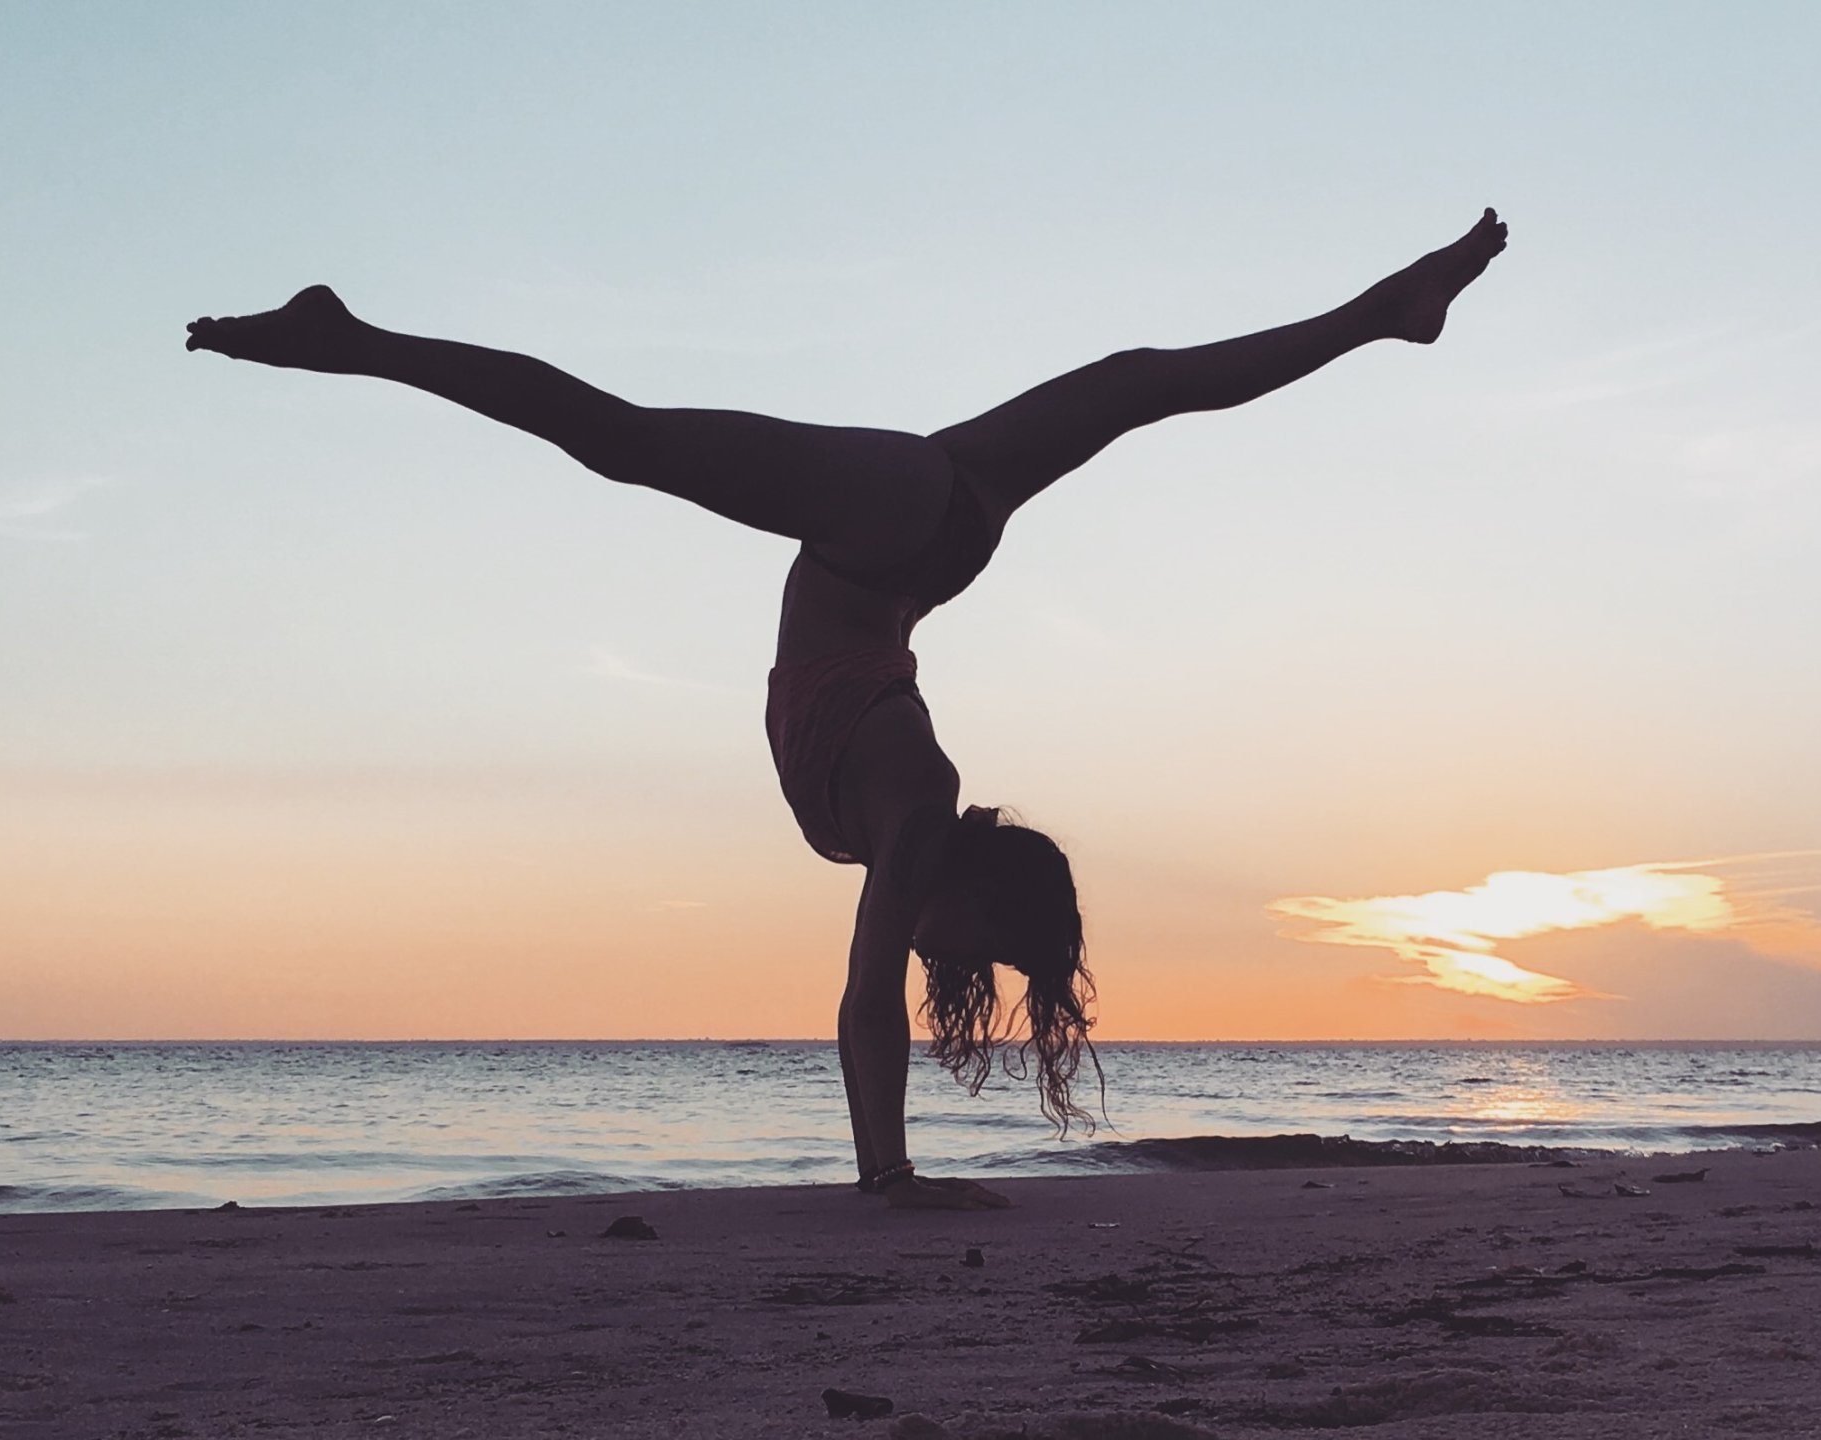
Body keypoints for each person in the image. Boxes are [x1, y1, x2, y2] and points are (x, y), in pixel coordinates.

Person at [185, 209, 1507, 1210]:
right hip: (887, 535)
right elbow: (865, 993)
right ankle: (350, 341)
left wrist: (890, 1160)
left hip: (927, 548)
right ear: (981, 892)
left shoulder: (909, 817)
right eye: (985, 949)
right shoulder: (916, 818)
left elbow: (877, 982)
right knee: (627, 441)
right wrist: (888, 1178)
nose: (957, 959)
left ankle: (1382, 315)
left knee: (1140, 380)